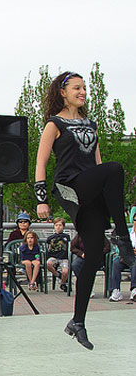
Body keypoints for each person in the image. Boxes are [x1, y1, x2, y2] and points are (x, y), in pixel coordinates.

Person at [35, 71, 135, 350]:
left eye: (84, 88)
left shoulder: (91, 125)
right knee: (116, 168)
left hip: (92, 186)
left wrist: (106, 196)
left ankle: (77, 321)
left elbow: (98, 162)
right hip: (70, 186)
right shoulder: (54, 124)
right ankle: (123, 237)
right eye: (77, 87)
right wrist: (41, 199)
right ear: (63, 92)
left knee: (93, 256)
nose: (82, 92)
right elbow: (41, 163)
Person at [70, 232, 110, 299]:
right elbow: (73, 247)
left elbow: (107, 247)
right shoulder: (80, 234)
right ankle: (85, 287)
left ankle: (87, 288)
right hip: (83, 257)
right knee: (75, 265)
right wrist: (81, 254)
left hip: (96, 258)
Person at [109, 210, 136, 301]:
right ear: (133, 221)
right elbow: (118, 245)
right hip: (123, 257)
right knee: (116, 262)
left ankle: (134, 289)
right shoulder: (127, 232)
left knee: (134, 263)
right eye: (135, 220)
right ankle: (115, 290)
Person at [46, 217, 70, 292]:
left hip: (64, 258)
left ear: (63, 226)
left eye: (60, 225)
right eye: (56, 225)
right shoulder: (50, 238)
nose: (58, 227)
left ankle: (63, 283)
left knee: (65, 271)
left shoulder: (66, 237)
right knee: (48, 264)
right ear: (54, 226)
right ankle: (57, 274)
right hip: (54, 257)